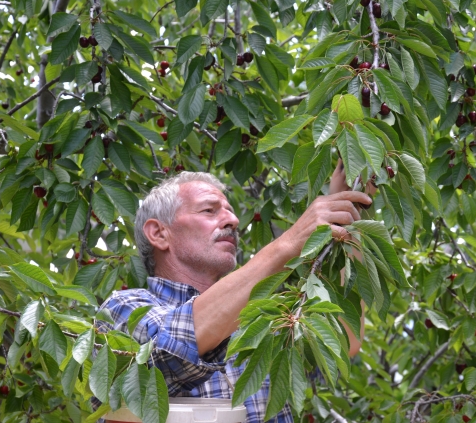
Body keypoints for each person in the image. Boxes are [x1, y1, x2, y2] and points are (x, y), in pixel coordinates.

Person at [95, 163, 372, 422]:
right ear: (158, 233)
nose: (233, 220)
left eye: (229, 210)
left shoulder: (262, 318)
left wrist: (345, 218)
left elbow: (343, 342)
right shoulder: (124, 310)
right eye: (209, 210)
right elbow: (173, 344)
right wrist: (291, 241)